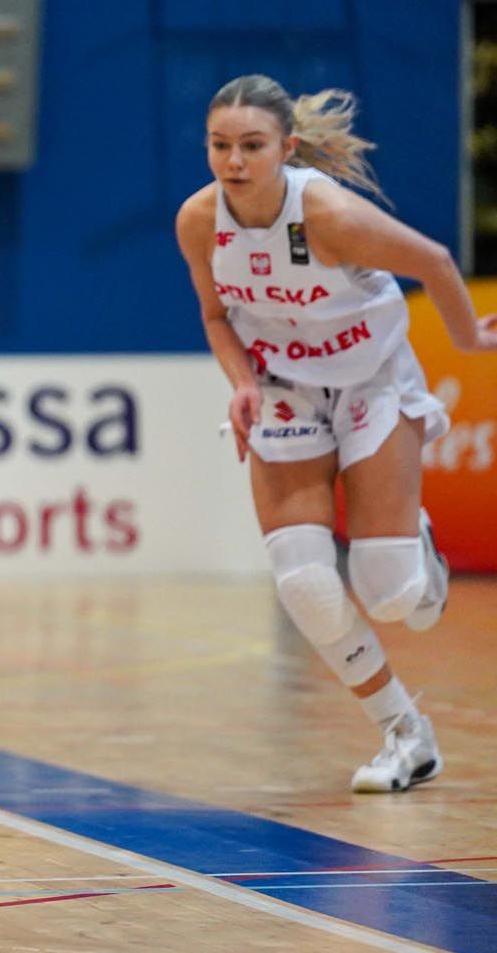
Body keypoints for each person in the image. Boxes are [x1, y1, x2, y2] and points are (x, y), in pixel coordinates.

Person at [177, 75, 495, 793]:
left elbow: (436, 262)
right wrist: (243, 384)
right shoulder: (199, 220)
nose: (233, 161)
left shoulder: (324, 212)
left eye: (252, 146)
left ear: (286, 148)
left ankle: (414, 546)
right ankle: (405, 733)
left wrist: (470, 336)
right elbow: (215, 316)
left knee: (388, 596)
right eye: (220, 145)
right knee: (308, 586)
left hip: (370, 377)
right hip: (285, 386)